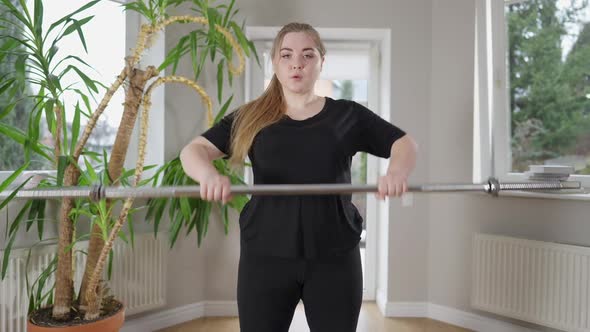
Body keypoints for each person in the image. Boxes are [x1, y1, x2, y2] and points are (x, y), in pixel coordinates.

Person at [180, 22, 418, 332]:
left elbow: (404, 144)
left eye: (308, 55)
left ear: (321, 62)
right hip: (265, 256)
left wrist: (397, 171)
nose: (297, 63)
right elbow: (194, 150)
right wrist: (208, 175)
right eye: (287, 55)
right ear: (275, 63)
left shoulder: (348, 114)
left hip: (334, 255)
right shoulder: (250, 116)